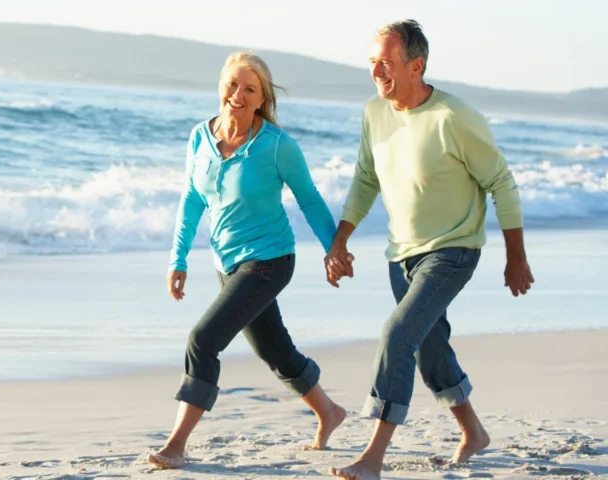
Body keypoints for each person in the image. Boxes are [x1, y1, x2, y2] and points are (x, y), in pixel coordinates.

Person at [325, 20, 535, 480]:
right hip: (401, 255)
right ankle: (474, 432)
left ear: (416, 66)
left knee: (398, 336)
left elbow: (502, 183)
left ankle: (372, 457)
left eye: (386, 61)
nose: (377, 71)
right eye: (372, 62)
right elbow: (365, 178)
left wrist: (515, 256)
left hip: (452, 250)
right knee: (429, 346)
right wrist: (341, 239)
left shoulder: (454, 118)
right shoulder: (374, 113)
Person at [147, 51, 347, 470]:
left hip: (270, 260)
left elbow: (309, 199)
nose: (237, 95)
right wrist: (177, 258)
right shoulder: (200, 137)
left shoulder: (277, 146)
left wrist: (334, 248)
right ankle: (328, 411)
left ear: (262, 99)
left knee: (202, 341)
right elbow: (191, 199)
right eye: (232, 85)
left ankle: (177, 443)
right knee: (275, 350)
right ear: (221, 86)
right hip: (227, 264)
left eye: (249, 89)